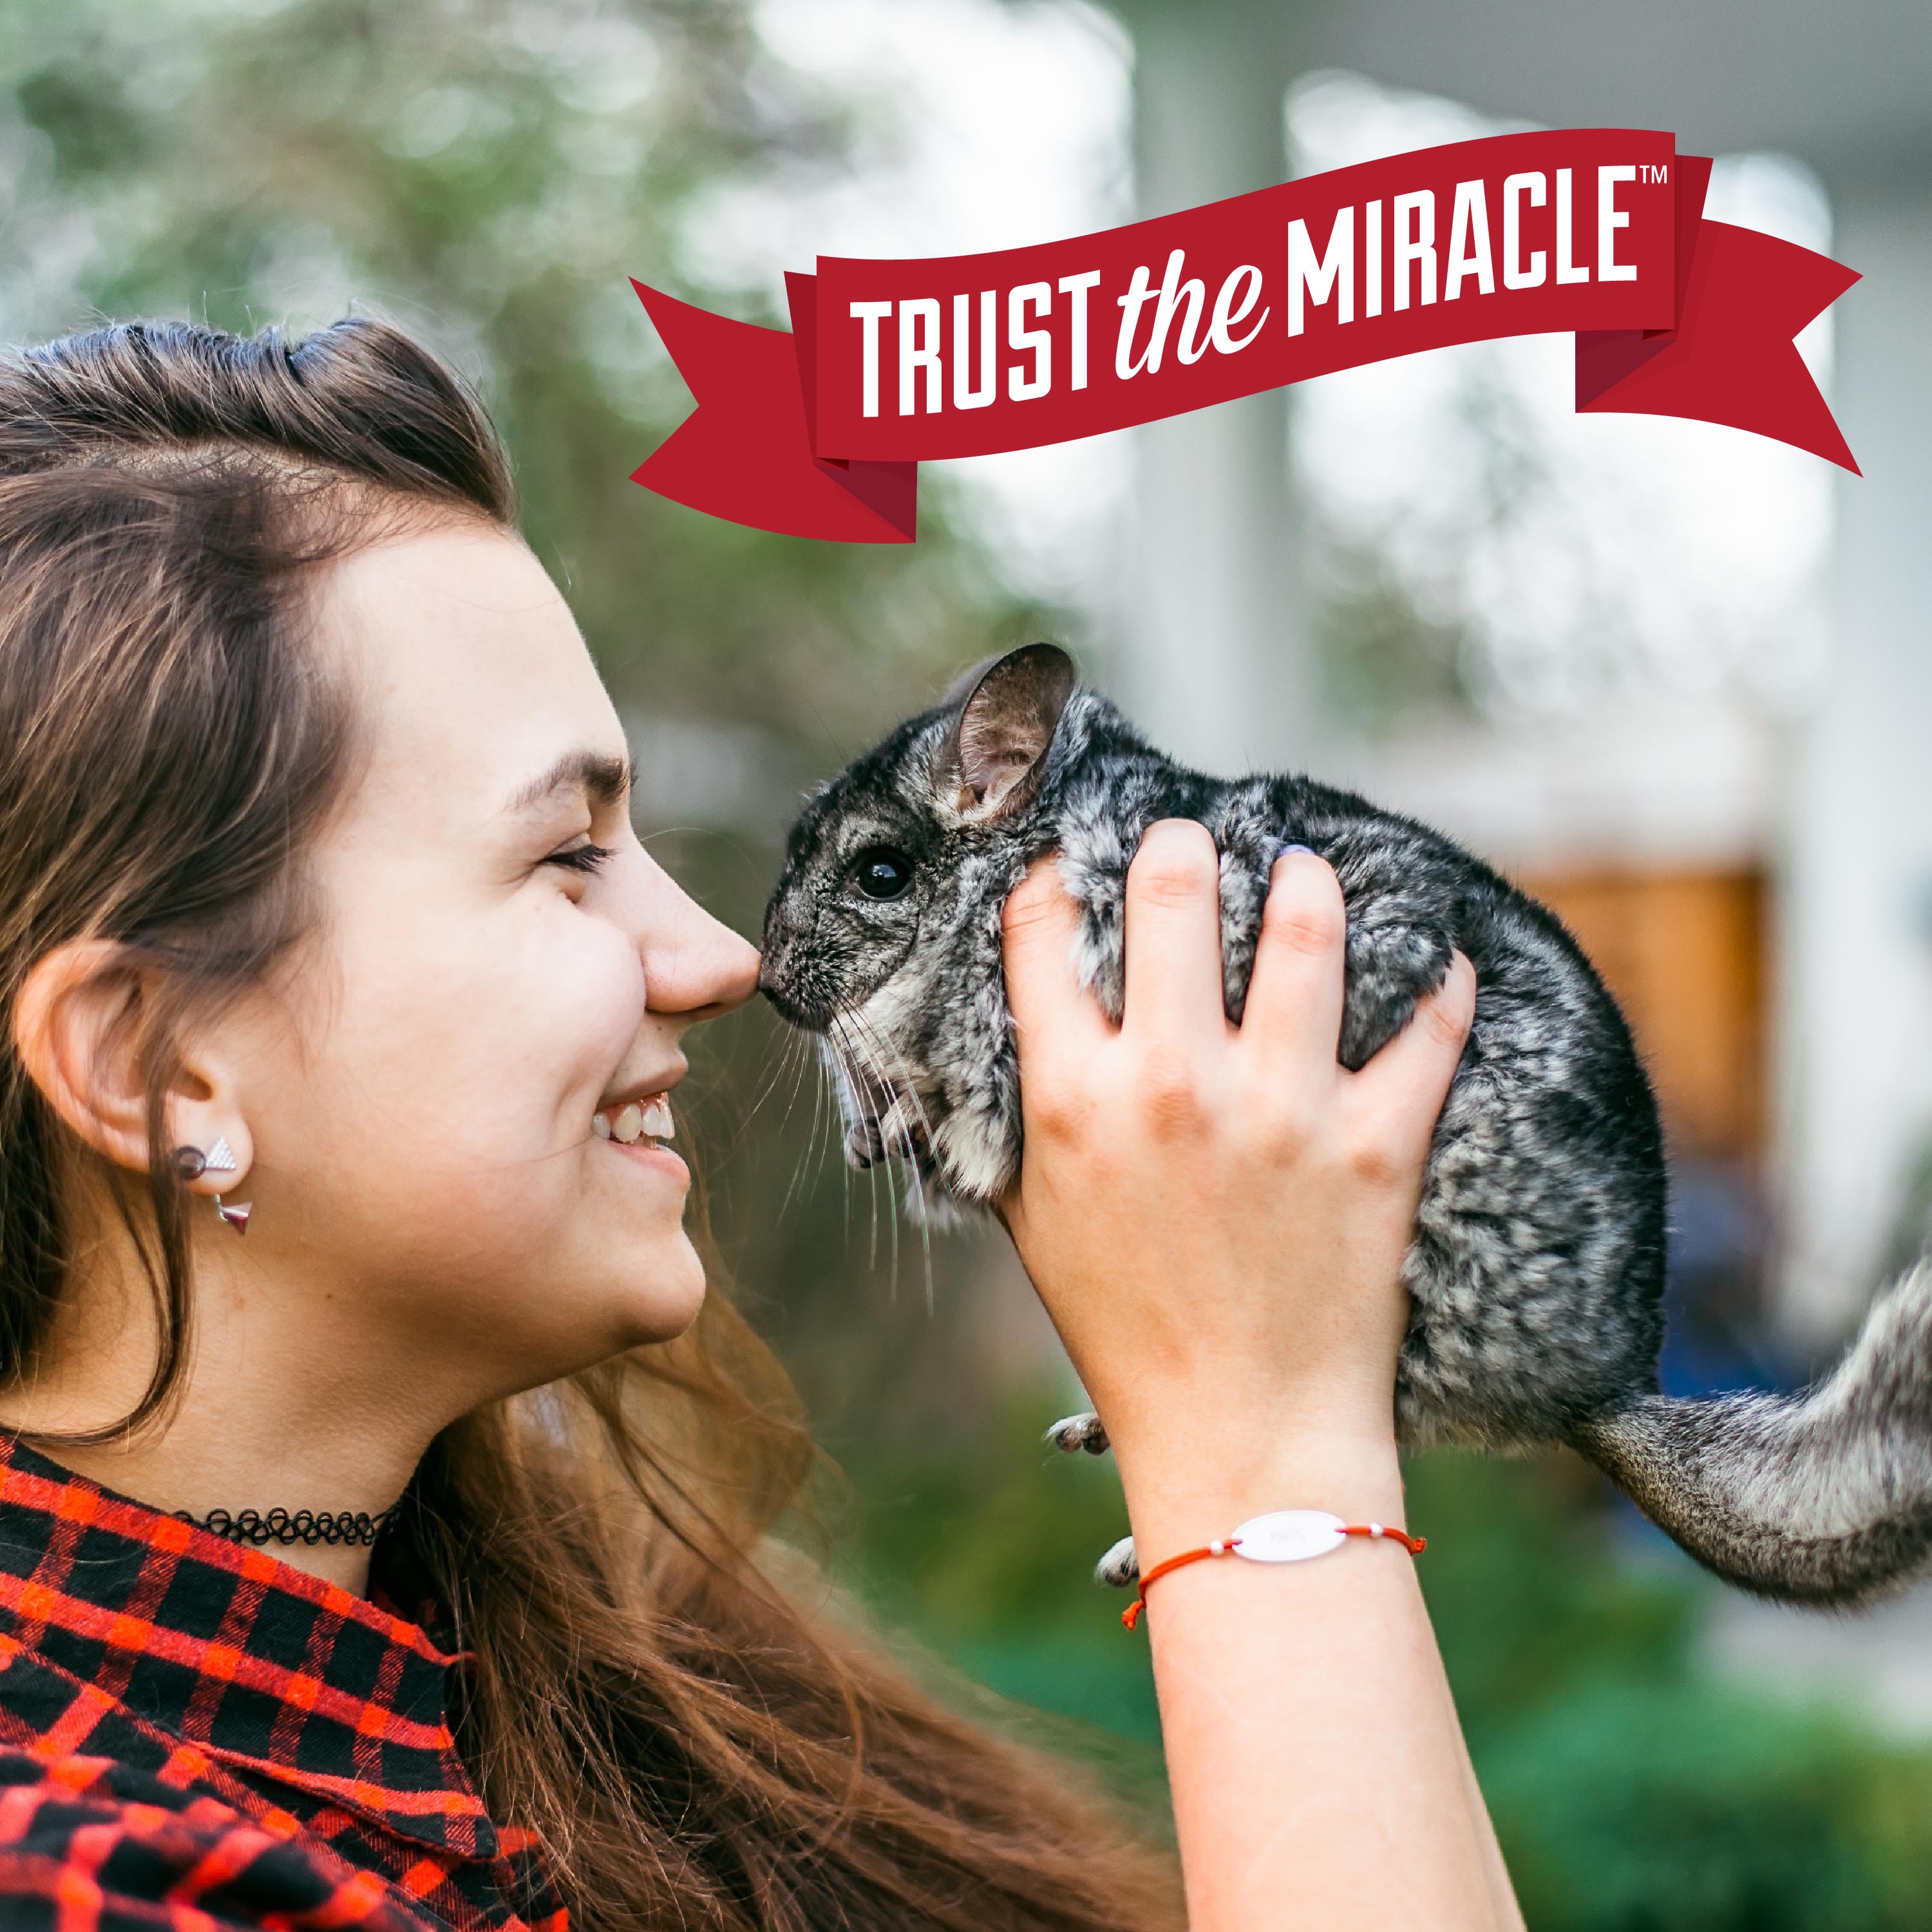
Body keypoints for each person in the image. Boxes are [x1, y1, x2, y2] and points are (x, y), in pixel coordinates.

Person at [0, 316, 1515, 1931]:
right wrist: (1260, 1451)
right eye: (566, 854)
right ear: (158, 1067)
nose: (718, 958)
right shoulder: (89, 1871)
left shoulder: (604, 1682)